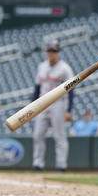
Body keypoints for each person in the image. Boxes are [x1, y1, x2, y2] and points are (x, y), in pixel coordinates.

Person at [32, 40, 74, 171]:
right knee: (38, 134)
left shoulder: (65, 68)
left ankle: (61, 165)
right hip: (42, 104)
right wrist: (33, 106)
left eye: (54, 51)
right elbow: (37, 87)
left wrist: (69, 110)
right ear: (46, 52)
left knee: (59, 135)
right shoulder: (42, 66)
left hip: (58, 104)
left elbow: (71, 90)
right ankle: (38, 163)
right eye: (50, 51)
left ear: (58, 52)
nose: (51, 53)